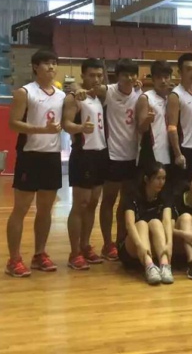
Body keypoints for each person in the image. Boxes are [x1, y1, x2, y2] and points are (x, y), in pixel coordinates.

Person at [5, 49, 66, 277]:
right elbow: (13, 123)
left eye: (54, 63)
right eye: (46, 63)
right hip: (30, 156)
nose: (51, 67)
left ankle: (40, 254)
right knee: (20, 209)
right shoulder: (25, 92)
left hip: (52, 156)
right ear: (35, 67)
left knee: (46, 209)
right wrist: (42, 130)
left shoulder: (61, 95)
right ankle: (14, 259)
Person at [94, 58, 141, 261]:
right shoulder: (109, 91)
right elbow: (85, 87)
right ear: (117, 76)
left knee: (126, 202)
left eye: (132, 74)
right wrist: (77, 89)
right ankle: (107, 243)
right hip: (113, 155)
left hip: (133, 156)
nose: (129, 78)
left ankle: (121, 239)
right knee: (109, 201)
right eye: (125, 75)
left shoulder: (139, 93)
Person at [62, 58, 107, 271]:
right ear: (83, 76)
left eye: (99, 75)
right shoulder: (75, 98)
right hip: (83, 154)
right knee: (80, 204)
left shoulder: (99, 96)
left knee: (93, 203)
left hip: (100, 154)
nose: (96, 79)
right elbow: (66, 124)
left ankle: (85, 245)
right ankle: (74, 253)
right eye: (92, 75)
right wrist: (80, 128)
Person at [119, 162, 174, 286]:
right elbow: (129, 224)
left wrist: (170, 243)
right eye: (157, 178)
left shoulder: (165, 194)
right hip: (134, 246)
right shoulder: (133, 195)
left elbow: (167, 220)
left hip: (154, 247)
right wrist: (140, 246)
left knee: (156, 222)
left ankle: (165, 265)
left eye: (163, 178)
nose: (161, 182)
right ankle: (149, 266)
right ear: (146, 179)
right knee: (142, 224)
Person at [136, 60, 173, 186]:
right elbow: (141, 128)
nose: (163, 81)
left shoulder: (171, 98)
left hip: (168, 152)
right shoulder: (145, 98)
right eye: (159, 77)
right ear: (153, 79)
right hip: (151, 152)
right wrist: (147, 120)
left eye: (166, 77)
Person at [167, 53, 192, 183]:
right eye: (188, 69)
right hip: (183, 149)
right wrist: (178, 154)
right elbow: (172, 127)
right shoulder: (175, 95)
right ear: (180, 72)